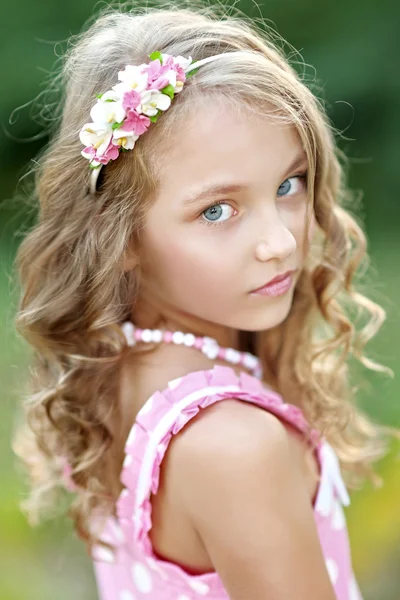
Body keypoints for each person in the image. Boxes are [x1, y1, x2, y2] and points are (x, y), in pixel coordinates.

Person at [11, 3, 396, 600]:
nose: (278, 242)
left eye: (288, 185)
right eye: (217, 210)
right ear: (122, 237)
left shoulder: (116, 368)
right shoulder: (234, 441)